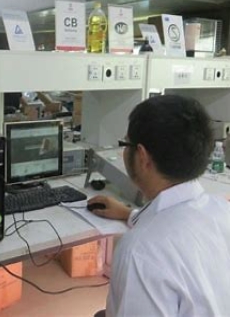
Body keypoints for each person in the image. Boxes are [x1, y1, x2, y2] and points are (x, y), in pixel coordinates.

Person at [88, 95, 230, 316]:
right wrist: (128, 214)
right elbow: (175, 223)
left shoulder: (140, 251)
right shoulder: (221, 211)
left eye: (125, 144)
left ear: (142, 156)